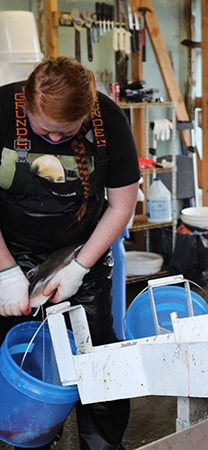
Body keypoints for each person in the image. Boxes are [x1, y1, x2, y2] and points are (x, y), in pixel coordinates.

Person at [0, 56, 140, 449]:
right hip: (8, 250)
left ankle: (102, 444)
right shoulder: (0, 112)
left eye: (67, 132)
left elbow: (120, 205)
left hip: (83, 249)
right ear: (26, 104)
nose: (56, 139)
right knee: (20, 355)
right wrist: (6, 273)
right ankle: (31, 436)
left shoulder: (108, 119)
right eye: (46, 130)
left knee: (94, 355)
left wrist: (79, 266)